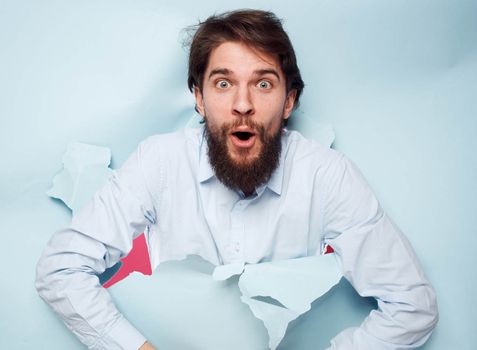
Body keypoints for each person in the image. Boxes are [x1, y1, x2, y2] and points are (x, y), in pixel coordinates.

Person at [36, 9, 438, 350]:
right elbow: (61, 270)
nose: (243, 105)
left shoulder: (326, 176)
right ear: (199, 98)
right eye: (223, 84)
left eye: (263, 84)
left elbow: (412, 305)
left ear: (289, 102)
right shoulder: (160, 162)